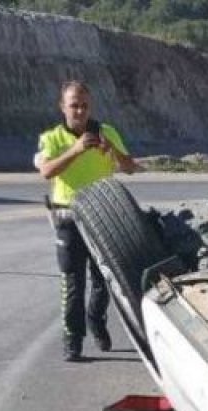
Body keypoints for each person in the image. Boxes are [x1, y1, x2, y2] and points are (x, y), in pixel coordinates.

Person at [35, 80, 140, 361]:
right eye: (74, 106)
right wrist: (77, 149)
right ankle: (73, 338)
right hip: (67, 215)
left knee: (103, 278)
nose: (79, 111)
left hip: (102, 215)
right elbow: (46, 171)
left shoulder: (107, 131)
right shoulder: (52, 138)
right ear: (63, 107)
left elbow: (130, 167)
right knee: (72, 280)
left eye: (84, 106)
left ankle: (96, 320)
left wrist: (113, 151)